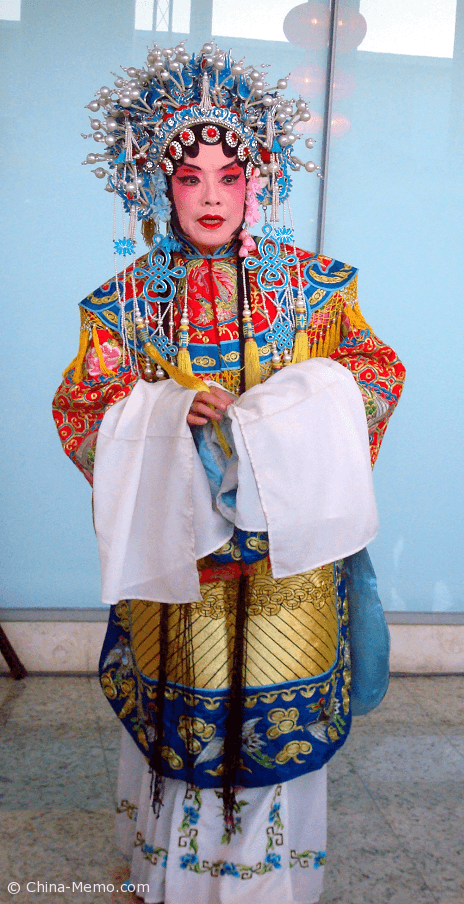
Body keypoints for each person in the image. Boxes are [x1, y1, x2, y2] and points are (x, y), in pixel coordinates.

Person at [53, 42, 405, 904]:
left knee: (272, 738)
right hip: (181, 579)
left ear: (260, 182)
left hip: (291, 575)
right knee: (183, 727)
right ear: (155, 186)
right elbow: (82, 413)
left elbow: (375, 375)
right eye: (189, 177)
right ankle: (172, 881)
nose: (211, 196)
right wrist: (169, 421)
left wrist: (285, 416)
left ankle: (265, 886)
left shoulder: (317, 290)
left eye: (229, 175)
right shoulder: (126, 301)